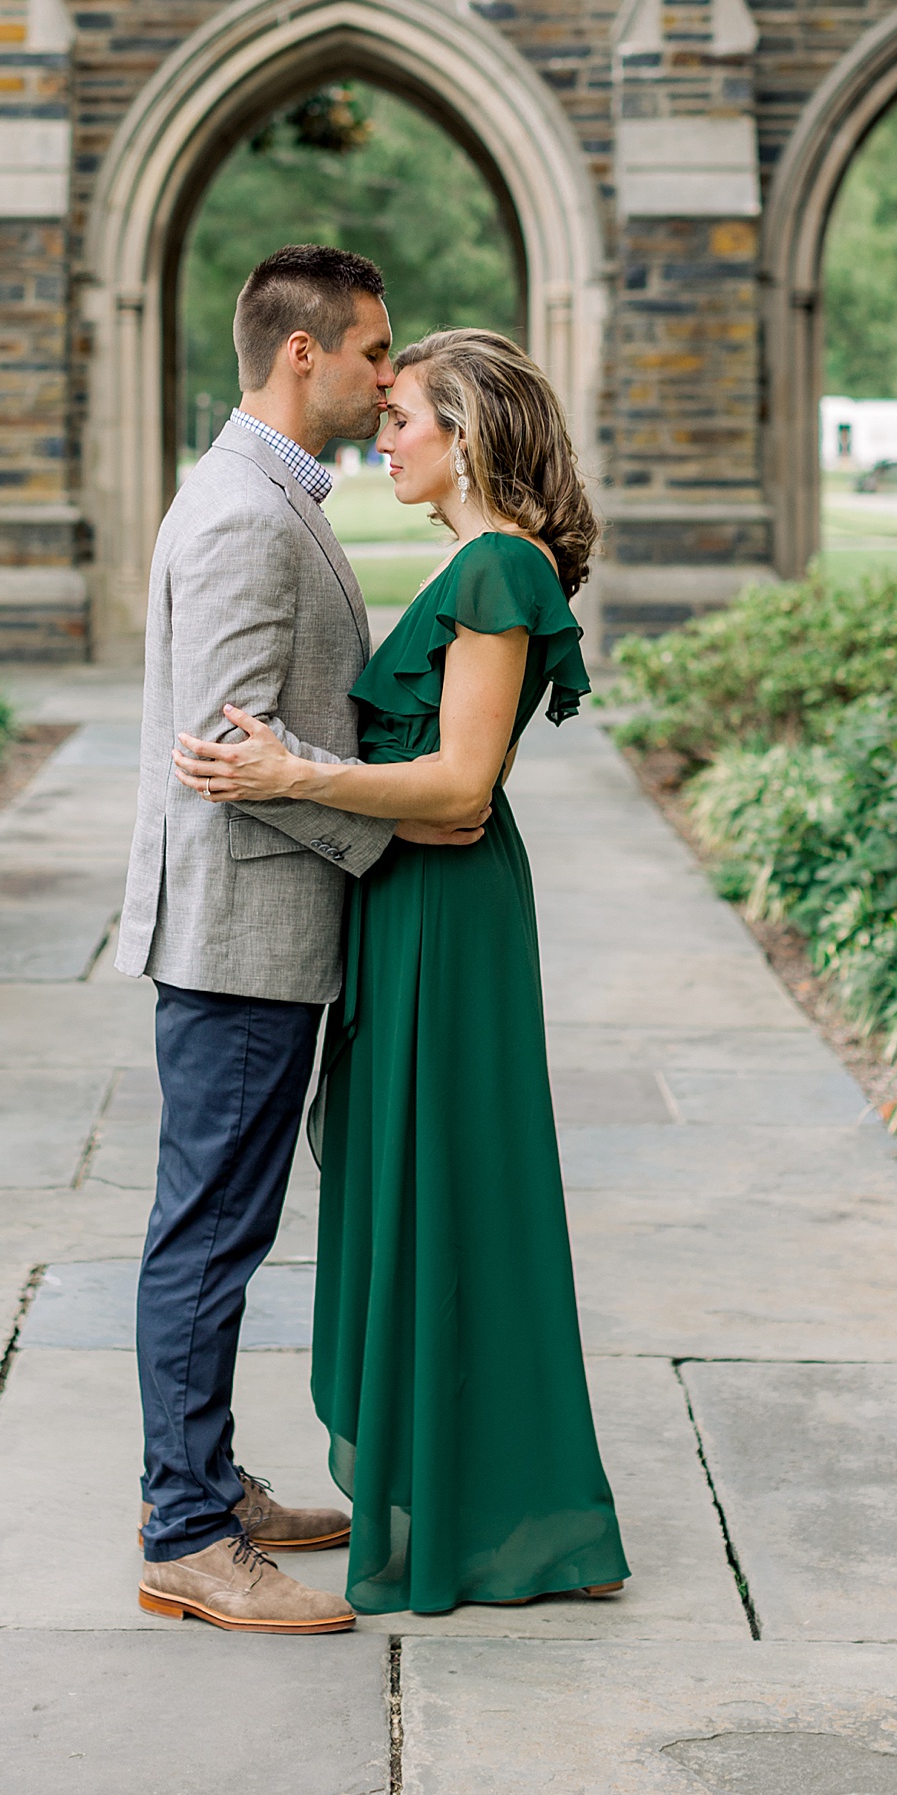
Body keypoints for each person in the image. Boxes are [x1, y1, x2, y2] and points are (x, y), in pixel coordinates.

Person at [174, 327, 629, 1615]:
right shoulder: (475, 560)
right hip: (411, 900)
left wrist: (292, 772)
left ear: (470, 432)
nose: (386, 430)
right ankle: (473, 1494)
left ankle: (498, 1518)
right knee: (418, 1187)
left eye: (408, 413)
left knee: (446, 1197)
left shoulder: (495, 567)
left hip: (448, 923)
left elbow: (459, 786)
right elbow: (429, 792)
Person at [117, 247, 488, 1636]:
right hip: (236, 934)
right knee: (208, 1231)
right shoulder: (241, 515)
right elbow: (228, 746)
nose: (387, 375)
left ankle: (206, 1483)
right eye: (373, 351)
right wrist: (397, 830)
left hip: (262, 928)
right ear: (303, 356)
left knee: (224, 1220)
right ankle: (188, 1534)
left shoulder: (271, 496)